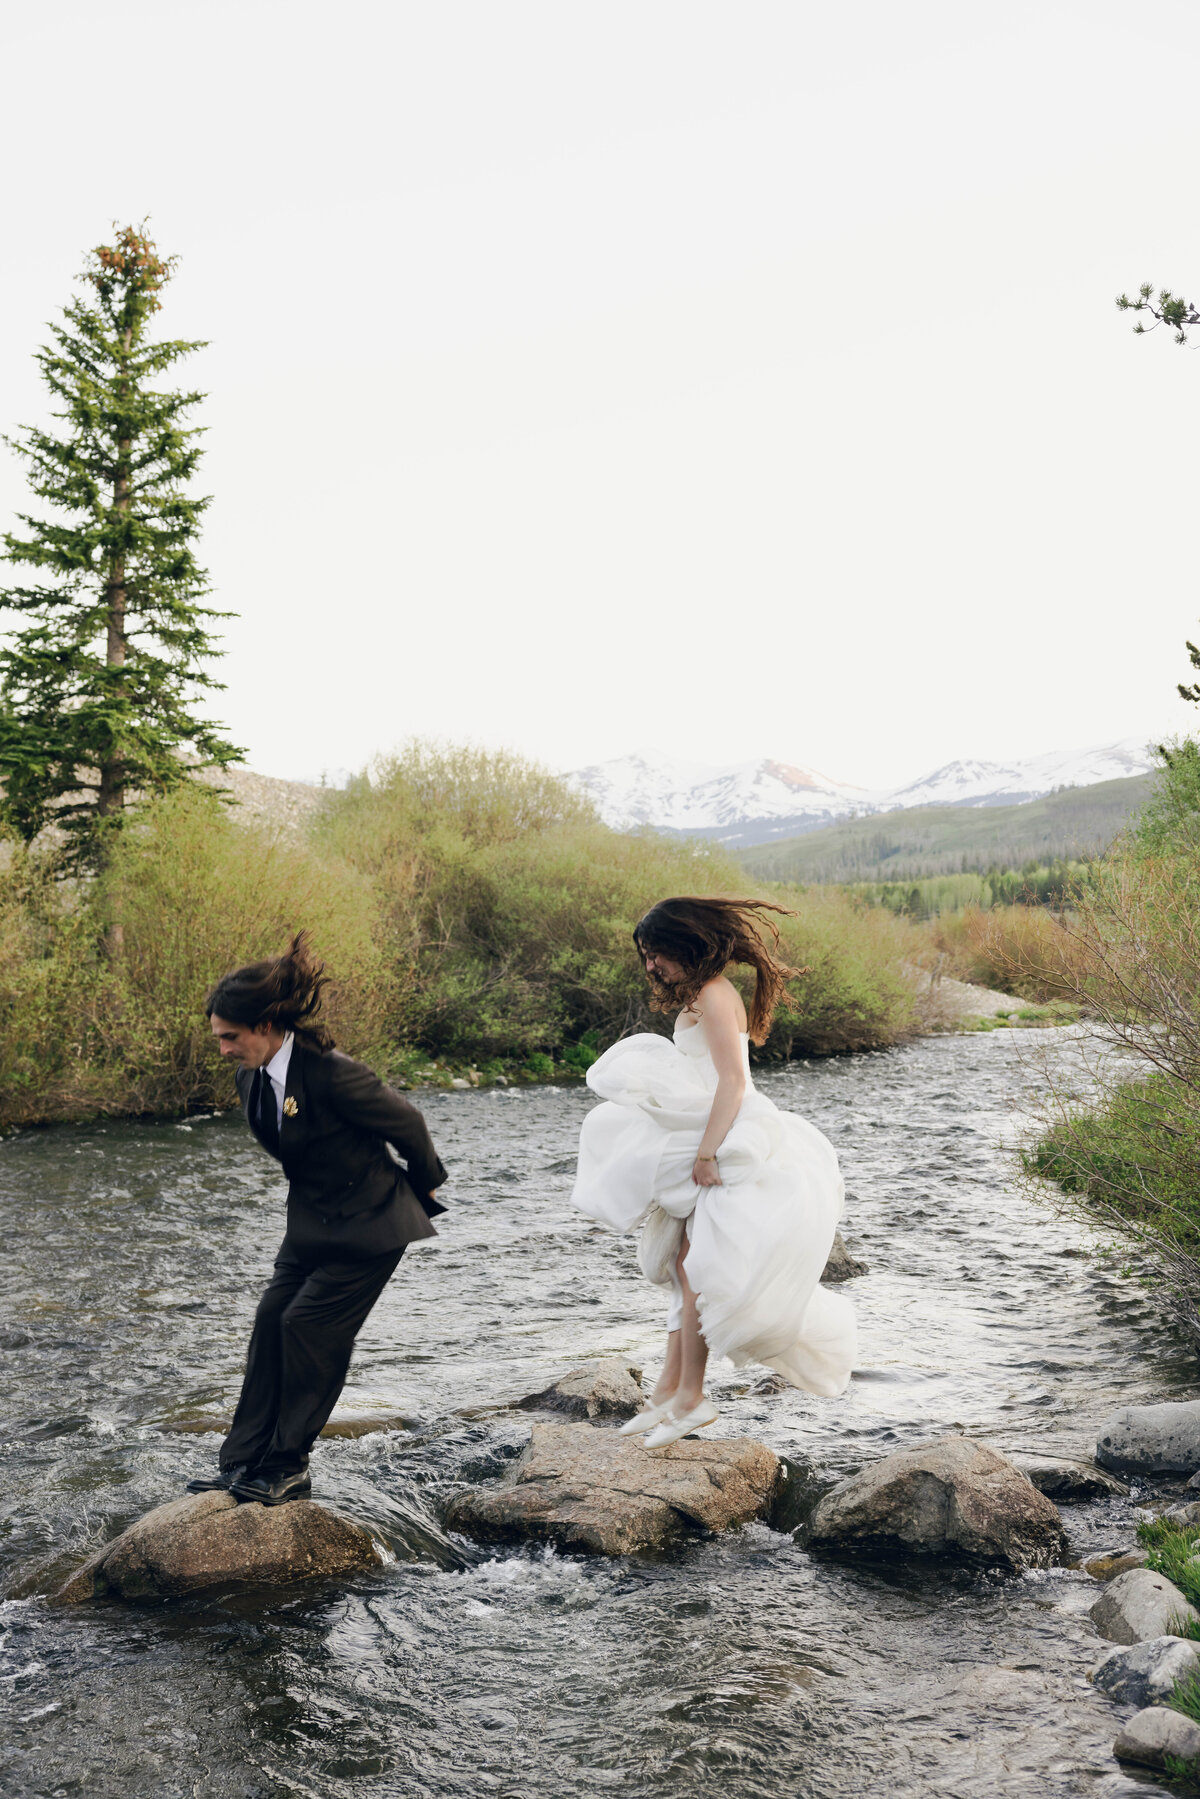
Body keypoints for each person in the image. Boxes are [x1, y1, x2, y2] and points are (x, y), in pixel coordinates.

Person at [571, 896, 855, 1448]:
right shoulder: (702, 995)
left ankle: (693, 1398)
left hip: (726, 1136)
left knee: (699, 1269)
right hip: (708, 1128)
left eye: (657, 955)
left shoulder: (715, 995)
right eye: (646, 956)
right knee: (682, 1266)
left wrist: (706, 1153)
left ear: (688, 946)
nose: (651, 966)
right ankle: (667, 1393)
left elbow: (732, 1082)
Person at [187, 933, 447, 1505]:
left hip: (372, 1226)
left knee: (306, 1328)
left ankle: (288, 1465)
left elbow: (409, 1124)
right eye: (219, 1039)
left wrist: (424, 1185)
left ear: (264, 1024)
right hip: (309, 1226)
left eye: (230, 1037)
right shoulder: (250, 1078)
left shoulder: (331, 1072)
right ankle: (243, 1461)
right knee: (270, 1320)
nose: (224, 1049)